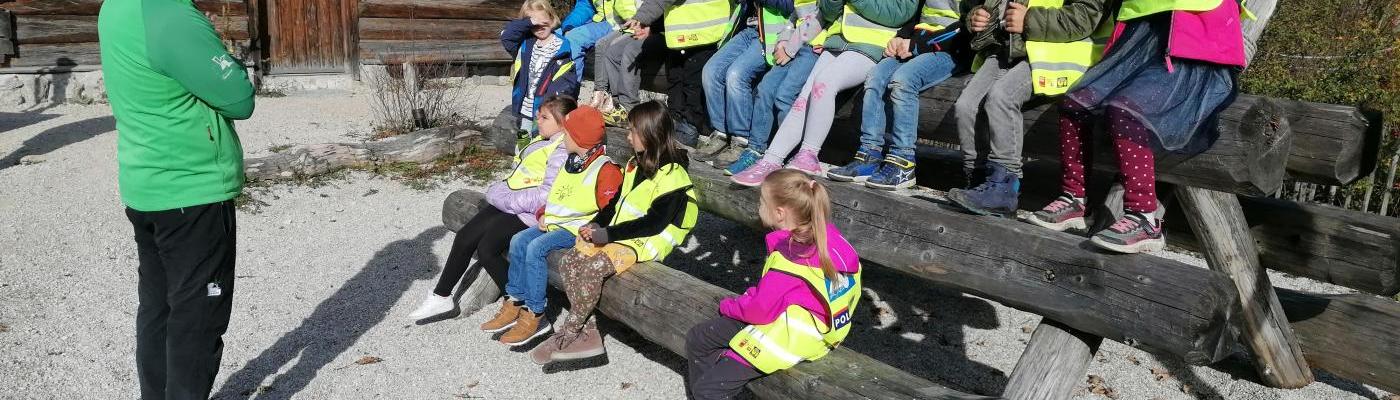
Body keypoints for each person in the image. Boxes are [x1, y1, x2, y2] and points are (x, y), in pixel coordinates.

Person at [99, 0, 255, 397]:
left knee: (160, 310)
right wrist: (224, 56)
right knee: (197, 319)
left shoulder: (115, 7)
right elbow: (239, 97)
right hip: (193, 190)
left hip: (146, 183)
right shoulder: (171, 16)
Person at [1027, 0, 1250, 253]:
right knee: (1074, 103)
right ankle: (1075, 198)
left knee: (1126, 111)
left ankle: (1144, 217)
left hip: (1192, 41)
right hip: (1142, 34)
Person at [528, 101, 700, 365]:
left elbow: (654, 224)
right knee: (572, 259)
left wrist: (608, 235)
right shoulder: (635, 163)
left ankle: (571, 330)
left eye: (632, 131)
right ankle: (589, 330)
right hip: (624, 234)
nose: (628, 137)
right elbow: (616, 203)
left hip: (647, 242)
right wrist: (596, 224)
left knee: (593, 267)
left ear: (650, 133)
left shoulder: (673, 175)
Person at [684, 169, 861, 399]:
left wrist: (729, 306)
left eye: (761, 202)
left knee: (708, 390)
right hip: (820, 324)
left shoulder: (791, 260)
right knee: (698, 338)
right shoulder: (830, 239)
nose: (758, 207)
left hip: (791, 337)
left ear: (779, 213)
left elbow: (759, 311)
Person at [407, 96, 577, 323]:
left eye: (544, 117)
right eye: (538, 115)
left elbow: (546, 195)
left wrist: (507, 199)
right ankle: (441, 295)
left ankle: (524, 304)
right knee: (467, 236)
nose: (538, 120)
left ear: (564, 122)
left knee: (488, 249)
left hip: (528, 212)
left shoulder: (562, 149)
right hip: (512, 201)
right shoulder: (545, 140)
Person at [945, 0, 1113, 214]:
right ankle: (976, 182)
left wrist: (1030, 19)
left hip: (1052, 53)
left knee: (1001, 97)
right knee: (966, 106)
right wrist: (977, 17)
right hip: (1008, 49)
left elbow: (1087, 15)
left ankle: (1003, 187)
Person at [730, 0, 920, 187]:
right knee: (804, 97)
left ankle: (808, 154)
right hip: (837, 42)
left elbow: (900, 13)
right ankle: (771, 160)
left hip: (873, 45)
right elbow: (827, 13)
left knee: (824, 83)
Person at [484, 106, 623, 346]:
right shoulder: (572, 161)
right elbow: (556, 195)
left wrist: (594, 229)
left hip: (575, 229)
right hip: (556, 222)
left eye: (567, 134)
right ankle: (514, 299)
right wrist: (542, 212)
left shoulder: (604, 169)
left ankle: (535, 313)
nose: (563, 138)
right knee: (518, 241)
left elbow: (610, 209)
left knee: (536, 248)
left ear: (578, 138)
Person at [827, 0, 968, 189]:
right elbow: (916, 16)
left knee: (903, 80)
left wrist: (916, 44)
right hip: (916, 44)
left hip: (949, 51)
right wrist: (900, 37)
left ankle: (903, 160)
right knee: (876, 76)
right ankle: (870, 153)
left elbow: (967, 28)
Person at [720, 0, 826, 175]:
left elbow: (820, 18)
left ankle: (791, 155)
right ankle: (755, 149)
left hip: (814, 47)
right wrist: (783, 40)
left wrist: (790, 48)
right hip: (796, 42)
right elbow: (795, 15)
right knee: (765, 89)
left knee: (785, 95)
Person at [694, 0, 796, 164]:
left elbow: (791, 5)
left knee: (736, 75)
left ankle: (741, 140)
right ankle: (720, 133)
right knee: (711, 71)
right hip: (747, 30)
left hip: (772, 35)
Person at [503, 0, 582, 134]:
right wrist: (529, 22)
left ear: (551, 19)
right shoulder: (526, 44)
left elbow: (565, 82)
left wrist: (546, 107)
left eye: (543, 23)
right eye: (535, 25)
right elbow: (507, 36)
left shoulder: (561, 47)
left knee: (543, 142)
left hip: (547, 111)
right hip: (526, 108)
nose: (539, 28)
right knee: (524, 143)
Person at [588, 0, 658, 125]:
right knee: (609, 50)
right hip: (633, 23)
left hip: (645, 25)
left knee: (627, 50)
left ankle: (627, 107)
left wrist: (638, 19)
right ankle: (611, 99)